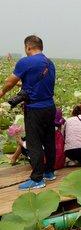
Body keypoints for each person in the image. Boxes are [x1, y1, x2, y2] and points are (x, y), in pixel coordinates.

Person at [0, 35, 56, 190]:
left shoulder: (25, 62)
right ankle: (49, 172)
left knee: (34, 143)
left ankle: (37, 178)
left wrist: (3, 92)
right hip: (50, 107)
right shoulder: (49, 63)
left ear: (28, 47)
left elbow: (9, 82)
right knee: (49, 140)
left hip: (35, 109)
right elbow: (38, 83)